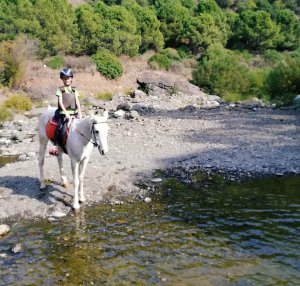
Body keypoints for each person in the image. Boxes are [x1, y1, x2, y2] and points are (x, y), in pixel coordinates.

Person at [49, 67, 82, 155]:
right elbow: (60, 102)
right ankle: (55, 145)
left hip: (74, 113)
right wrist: (66, 113)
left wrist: (79, 112)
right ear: (62, 80)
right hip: (64, 113)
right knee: (60, 127)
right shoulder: (60, 90)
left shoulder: (74, 89)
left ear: (71, 78)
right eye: (64, 78)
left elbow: (77, 101)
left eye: (68, 78)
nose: (66, 80)